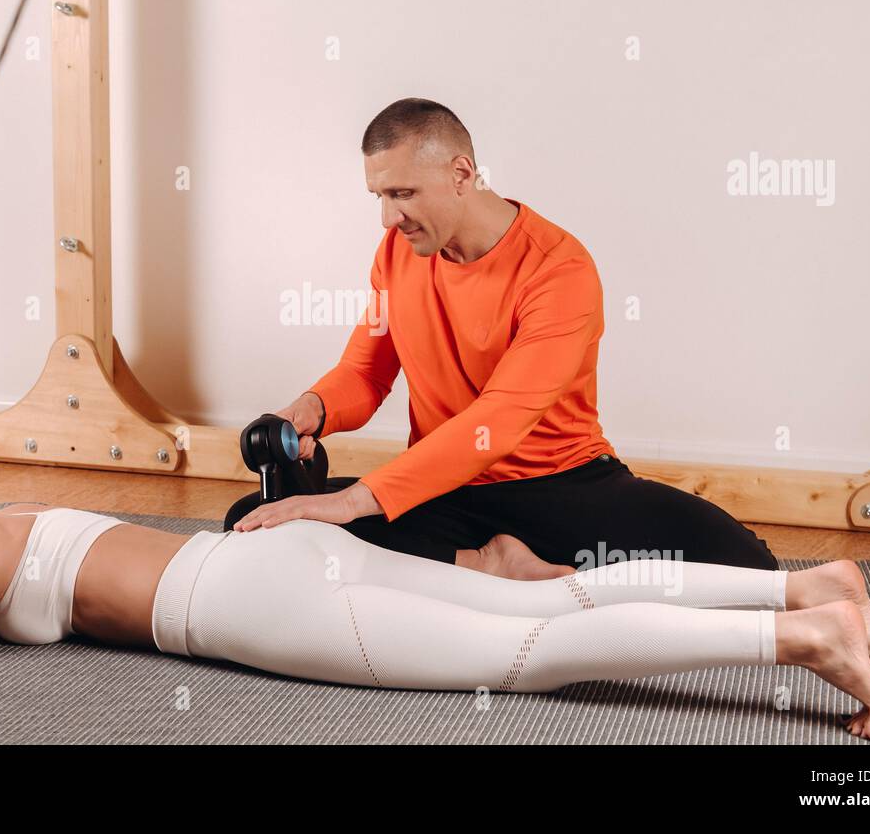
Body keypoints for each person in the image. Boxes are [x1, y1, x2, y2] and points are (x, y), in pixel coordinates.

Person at [0, 459, 870, 740]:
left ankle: (798, 638)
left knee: (532, 649)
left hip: (251, 607)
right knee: (555, 601)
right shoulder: (2, 519)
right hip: (269, 570)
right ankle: (803, 584)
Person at [227, 97, 777, 575]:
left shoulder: (558, 268)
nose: (387, 218)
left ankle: (464, 567)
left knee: (749, 565)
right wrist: (313, 407)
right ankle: (487, 565)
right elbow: (366, 372)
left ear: (462, 174)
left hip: (560, 486)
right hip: (445, 489)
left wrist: (354, 502)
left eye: (402, 194)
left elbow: (500, 421)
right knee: (253, 521)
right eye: (379, 196)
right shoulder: (398, 252)